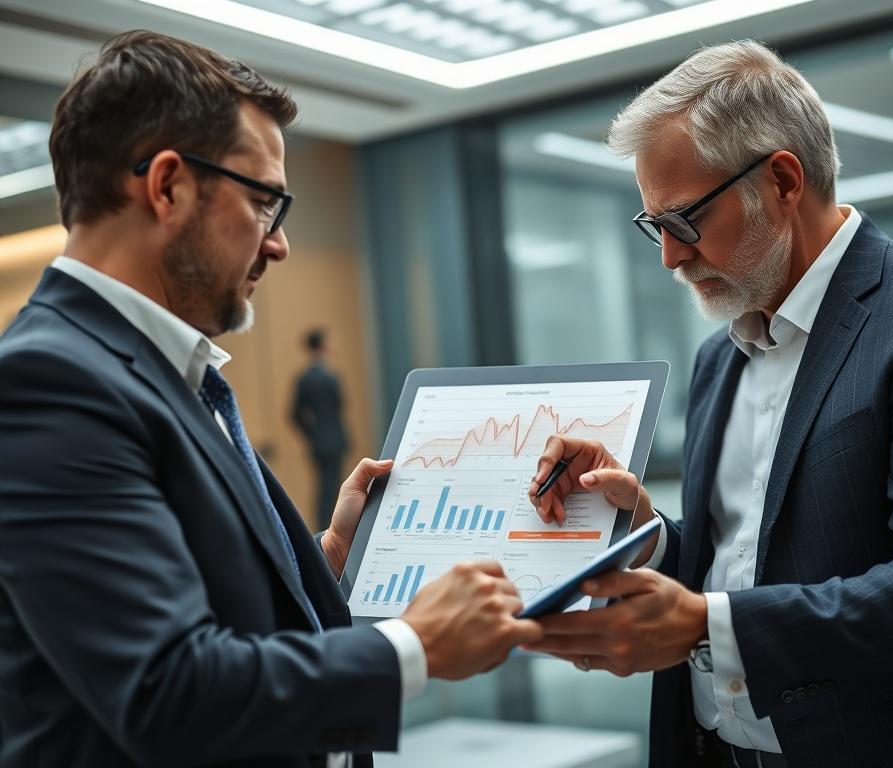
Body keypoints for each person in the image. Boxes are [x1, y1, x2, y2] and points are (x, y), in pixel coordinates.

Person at [0, 31, 541, 768]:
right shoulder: (46, 384)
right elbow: (168, 691)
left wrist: (312, 566)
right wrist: (415, 645)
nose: (278, 244)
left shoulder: (145, 367)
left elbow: (180, 588)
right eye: (265, 203)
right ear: (167, 186)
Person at [527, 40, 893, 768]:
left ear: (783, 181)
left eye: (682, 221)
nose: (668, 256)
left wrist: (703, 625)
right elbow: (747, 551)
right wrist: (646, 529)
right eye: (654, 227)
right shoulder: (718, 353)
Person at [292, 328, 351, 531]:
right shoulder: (330, 377)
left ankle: (324, 529)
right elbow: (340, 407)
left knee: (323, 489)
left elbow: (295, 414)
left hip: (318, 442)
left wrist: (312, 435)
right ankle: (331, 531)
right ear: (323, 345)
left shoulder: (304, 378)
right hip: (334, 439)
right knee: (332, 489)